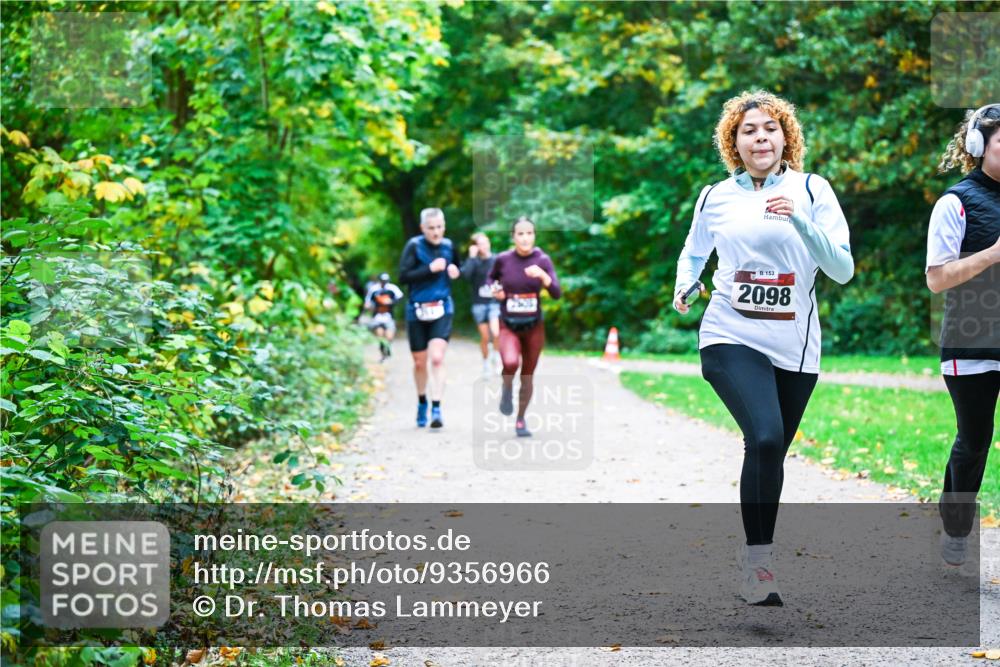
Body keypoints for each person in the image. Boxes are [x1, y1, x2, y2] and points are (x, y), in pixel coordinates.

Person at [672, 90, 854, 606]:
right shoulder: (715, 197)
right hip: (730, 333)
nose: (760, 137)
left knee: (771, 452)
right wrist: (686, 286)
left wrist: (798, 218)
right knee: (767, 438)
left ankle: (756, 557)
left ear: (785, 136)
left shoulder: (813, 190)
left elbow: (842, 269)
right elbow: (693, 255)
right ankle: (759, 565)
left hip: (795, 345)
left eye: (770, 128)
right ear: (734, 141)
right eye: (749, 130)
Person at [926, 103, 1000, 566]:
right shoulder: (956, 201)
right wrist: (992, 254)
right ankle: (955, 525)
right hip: (972, 341)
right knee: (975, 440)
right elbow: (937, 278)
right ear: (979, 147)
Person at [489, 216, 561, 438]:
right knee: (510, 362)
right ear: (513, 237)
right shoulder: (503, 259)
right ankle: (506, 388)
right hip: (508, 323)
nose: (525, 238)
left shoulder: (543, 260)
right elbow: (490, 280)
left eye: (529, 233)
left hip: (533, 325)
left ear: (534, 236)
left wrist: (544, 278)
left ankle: (520, 419)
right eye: (520, 234)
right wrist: (496, 289)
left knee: (528, 375)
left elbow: (557, 293)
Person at [398, 208, 460, 429]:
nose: (436, 232)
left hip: (442, 307)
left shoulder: (449, 246)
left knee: (437, 358)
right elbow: (403, 277)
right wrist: (429, 269)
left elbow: (457, 267)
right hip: (417, 309)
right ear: (423, 228)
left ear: (444, 226)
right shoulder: (414, 246)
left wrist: (454, 271)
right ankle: (422, 400)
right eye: (431, 228)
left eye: (439, 227)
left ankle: (436, 406)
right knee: (419, 362)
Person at [460, 232, 501, 378]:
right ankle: (486, 364)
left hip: (494, 303)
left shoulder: (497, 260)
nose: (483, 246)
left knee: (496, 333)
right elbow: (465, 276)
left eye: (485, 242)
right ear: (475, 247)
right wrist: (471, 257)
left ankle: (496, 357)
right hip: (479, 304)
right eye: (480, 244)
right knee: (485, 337)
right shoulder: (474, 262)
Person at [363, 273, 404, 361]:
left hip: (389, 316)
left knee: (389, 336)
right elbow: (368, 301)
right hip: (377, 316)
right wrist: (368, 306)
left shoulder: (392, 288)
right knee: (380, 335)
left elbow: (400, 297)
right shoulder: (374, 289)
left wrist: (392, 302)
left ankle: (388, 348)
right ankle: (382, 352)